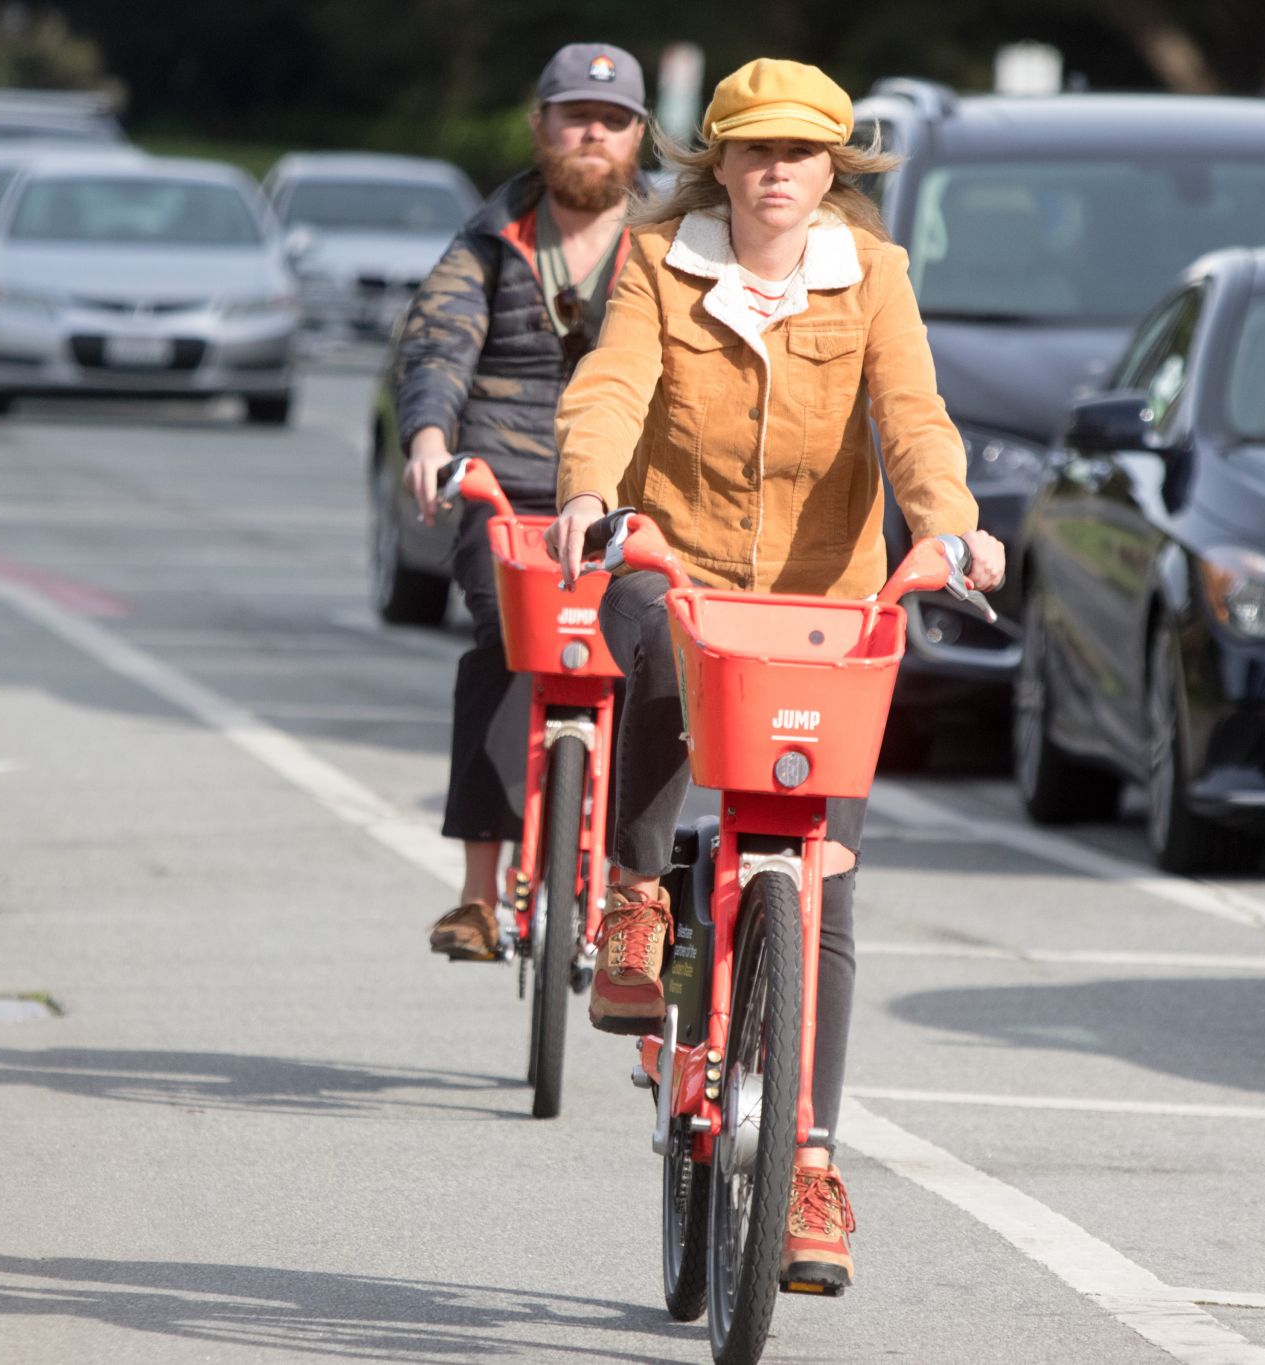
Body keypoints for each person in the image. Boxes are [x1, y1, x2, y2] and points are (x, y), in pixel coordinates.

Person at [545, 58, 1006, 1292]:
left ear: (831, 167)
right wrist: (589, 494)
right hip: (681, 560)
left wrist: (947, 527)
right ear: (720, 164)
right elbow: (610, 389)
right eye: (754, 151)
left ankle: (808, 1155)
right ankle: (637, 885)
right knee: (643, 622)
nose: (776, 172)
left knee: (827, 881)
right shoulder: (656, 261)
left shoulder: (874, 279)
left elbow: (912, 419)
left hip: (827, 601)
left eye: (800, 152)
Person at [402, 42, 649, 961]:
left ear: (638, 137)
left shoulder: (669, 244)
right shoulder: (489, 237)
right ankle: (476, 896)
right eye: (577, 115)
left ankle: (636, 901)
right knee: (504, 648)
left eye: (614, 120)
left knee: (652, 657)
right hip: (509, 489)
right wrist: (431, 440)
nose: (594, 133)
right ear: (540, 126)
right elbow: (437, 343)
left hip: (627, 492)